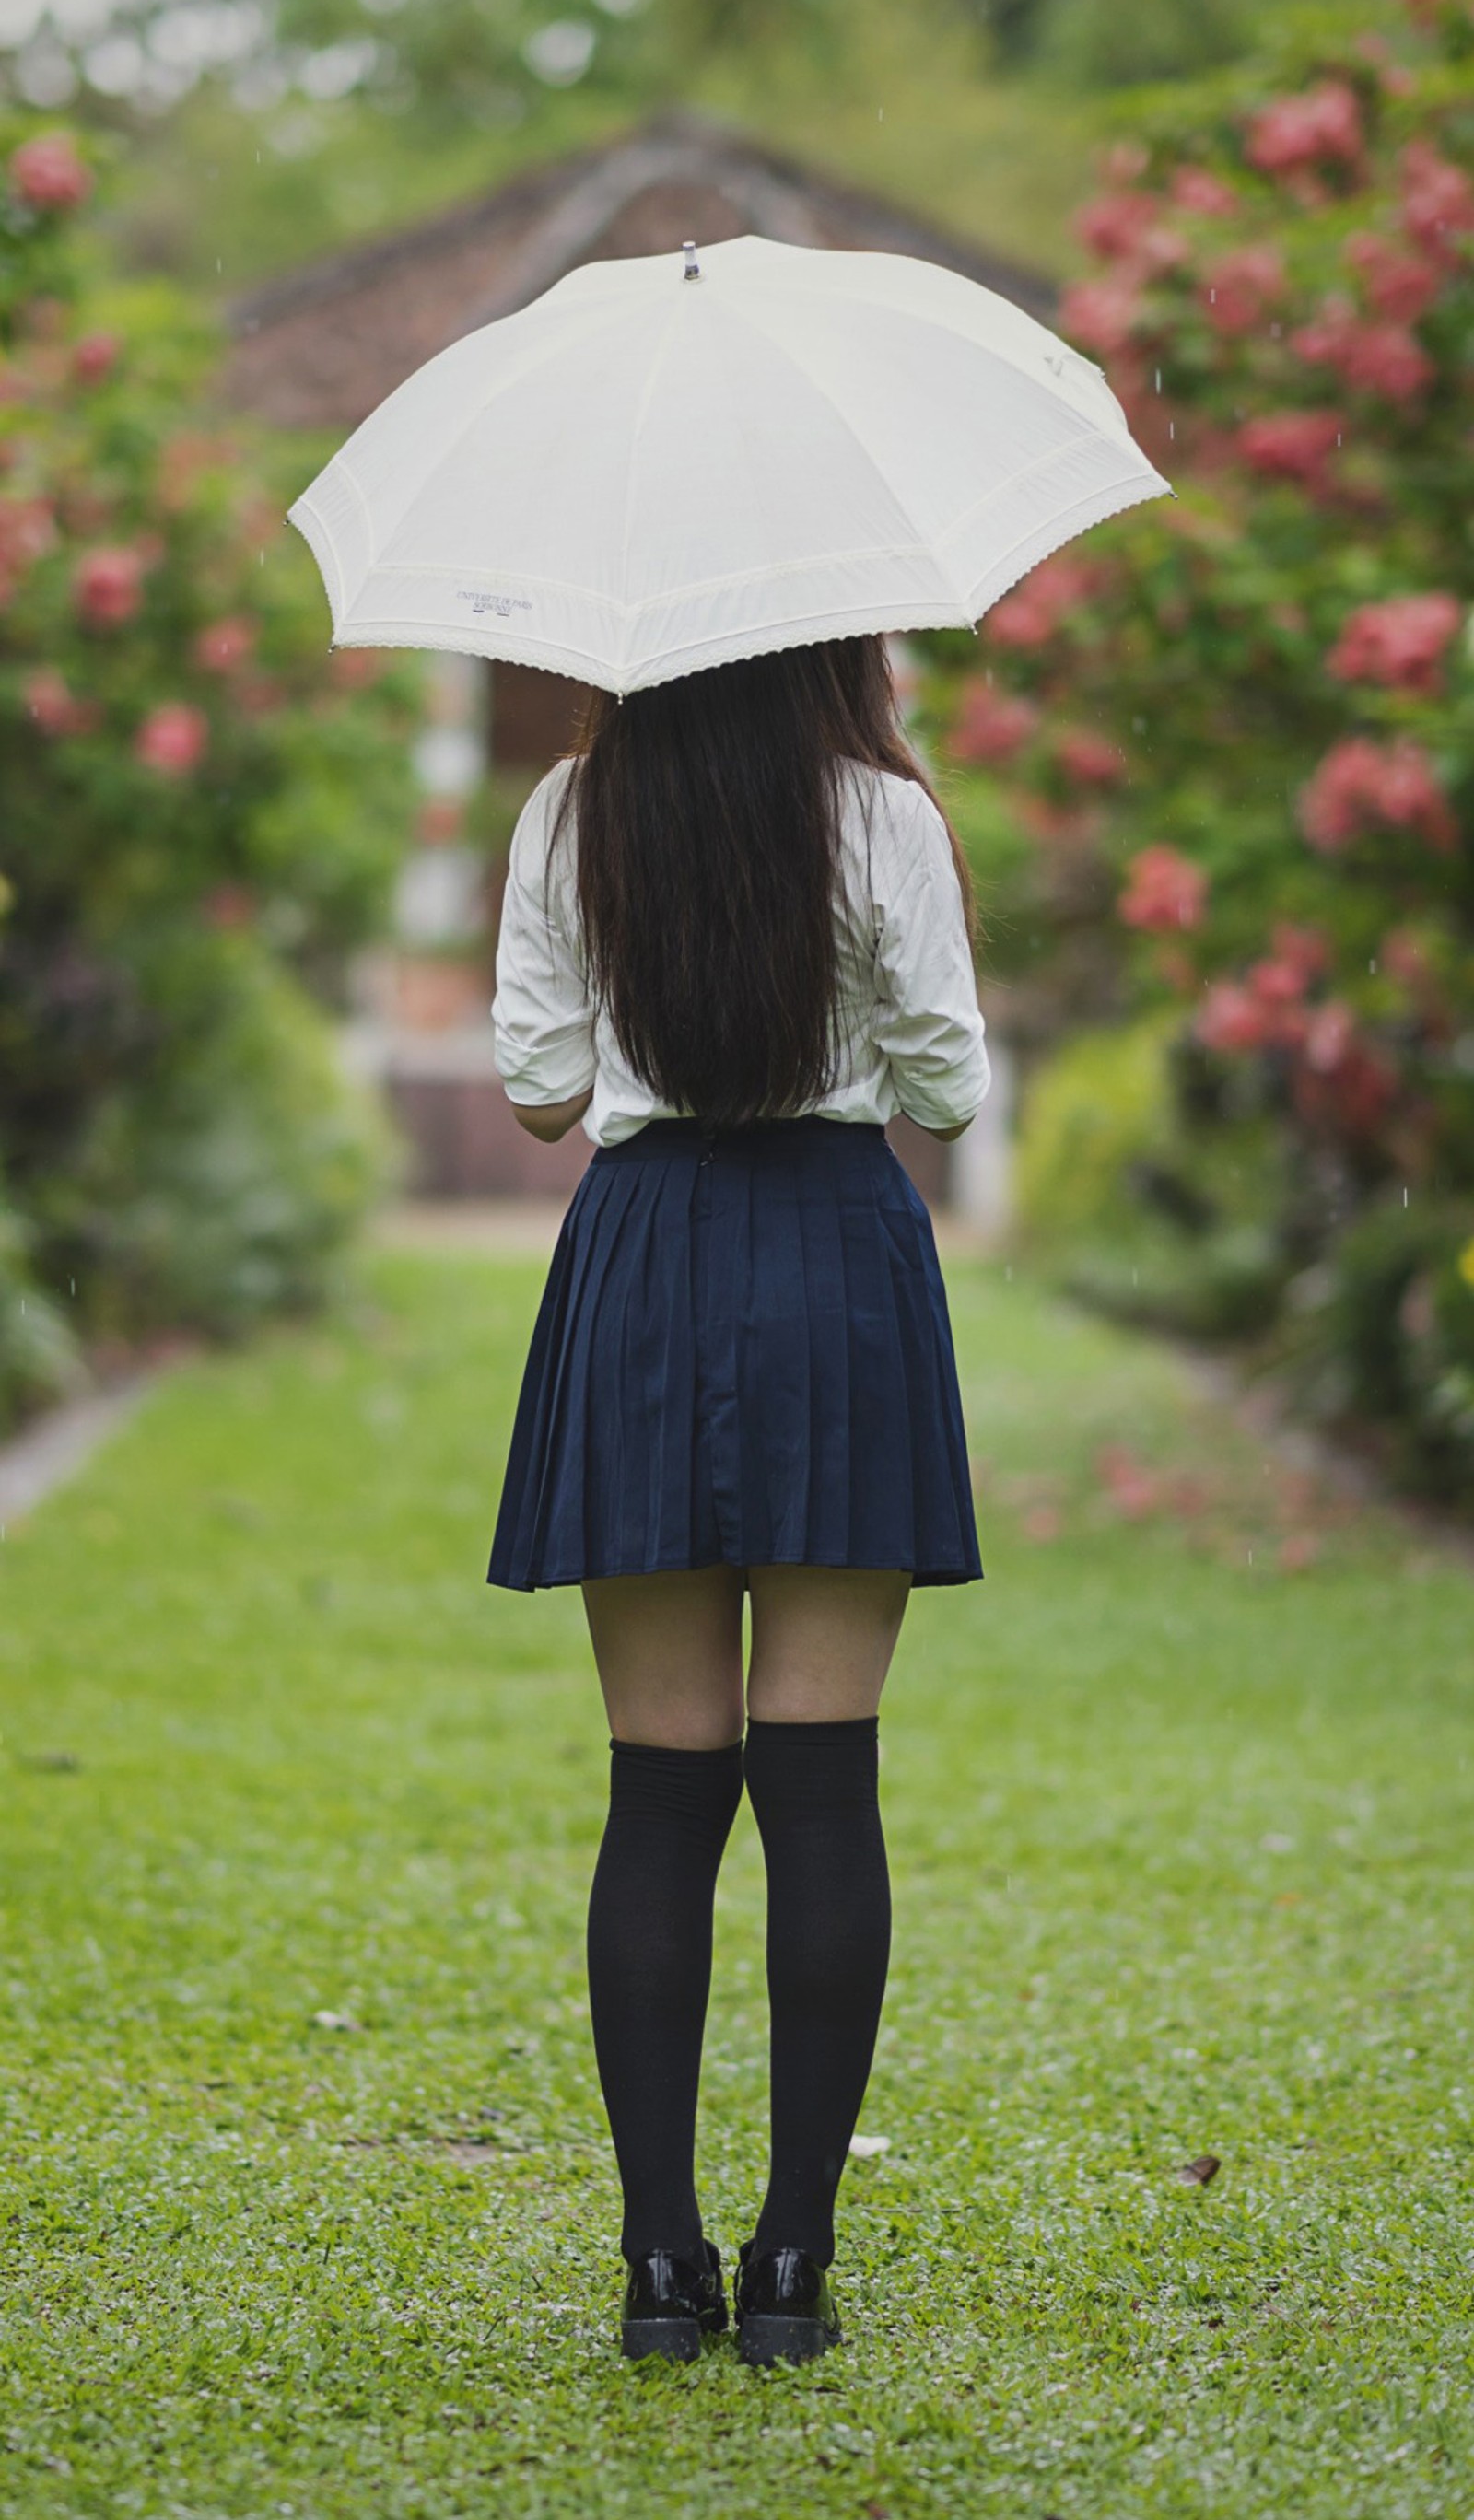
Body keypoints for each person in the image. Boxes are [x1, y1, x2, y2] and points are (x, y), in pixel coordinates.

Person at [487, 635, 989, 2366]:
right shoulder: (882, 818)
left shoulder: (571, 812)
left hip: (643, 1268)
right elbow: (950, 1086)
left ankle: (655, 2269)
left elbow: (545, 1093)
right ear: (838, 634)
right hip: (838, 1262)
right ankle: (790, 2268)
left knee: (662, 1795)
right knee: (824, 1792)